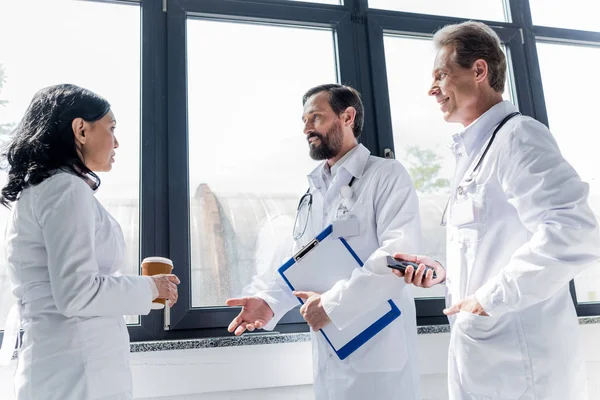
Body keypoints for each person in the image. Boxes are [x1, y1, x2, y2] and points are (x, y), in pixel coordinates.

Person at [392, 21, 600, 400]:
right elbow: (490, 246)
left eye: (441, 74)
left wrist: (489, 299)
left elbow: (575, 231)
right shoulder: (477, 152)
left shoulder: (518, 136)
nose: (431, 88)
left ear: (479, 70)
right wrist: (443, 274)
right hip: (485, 362)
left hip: (521, 368)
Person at [226, 84, 422, 400]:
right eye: (304, 120)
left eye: (315, 117)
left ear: (347, 117)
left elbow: (399, 256)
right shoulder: (312, 192)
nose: (306, 128)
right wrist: (269, 303)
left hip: (379, 349)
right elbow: (303, 265)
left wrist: (332, 305)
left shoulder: (386, 175)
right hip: (330, 351)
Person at [0, 84, 180, 400]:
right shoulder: (65, 190)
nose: (117, 142)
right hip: (77, 371)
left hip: (63, 363)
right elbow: (77, 293)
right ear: (81, 130)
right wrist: (152, 287)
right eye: (111, 128)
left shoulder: (43, 189)